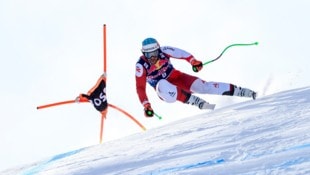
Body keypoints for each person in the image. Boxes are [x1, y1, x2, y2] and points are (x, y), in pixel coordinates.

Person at [135, 37, 256, 117]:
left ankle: (244, 92)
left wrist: (193, 61)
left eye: (154, 53)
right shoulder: (141, 66)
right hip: (166, 92)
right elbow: (140, 87)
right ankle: (195, 102)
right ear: (144, 53)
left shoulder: (164, 50)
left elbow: (182, 53)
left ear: (158, 49)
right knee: (161, 83)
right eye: (149, 54)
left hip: (178, 78)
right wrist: (146, 105)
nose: (152, 57)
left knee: (203, 86)